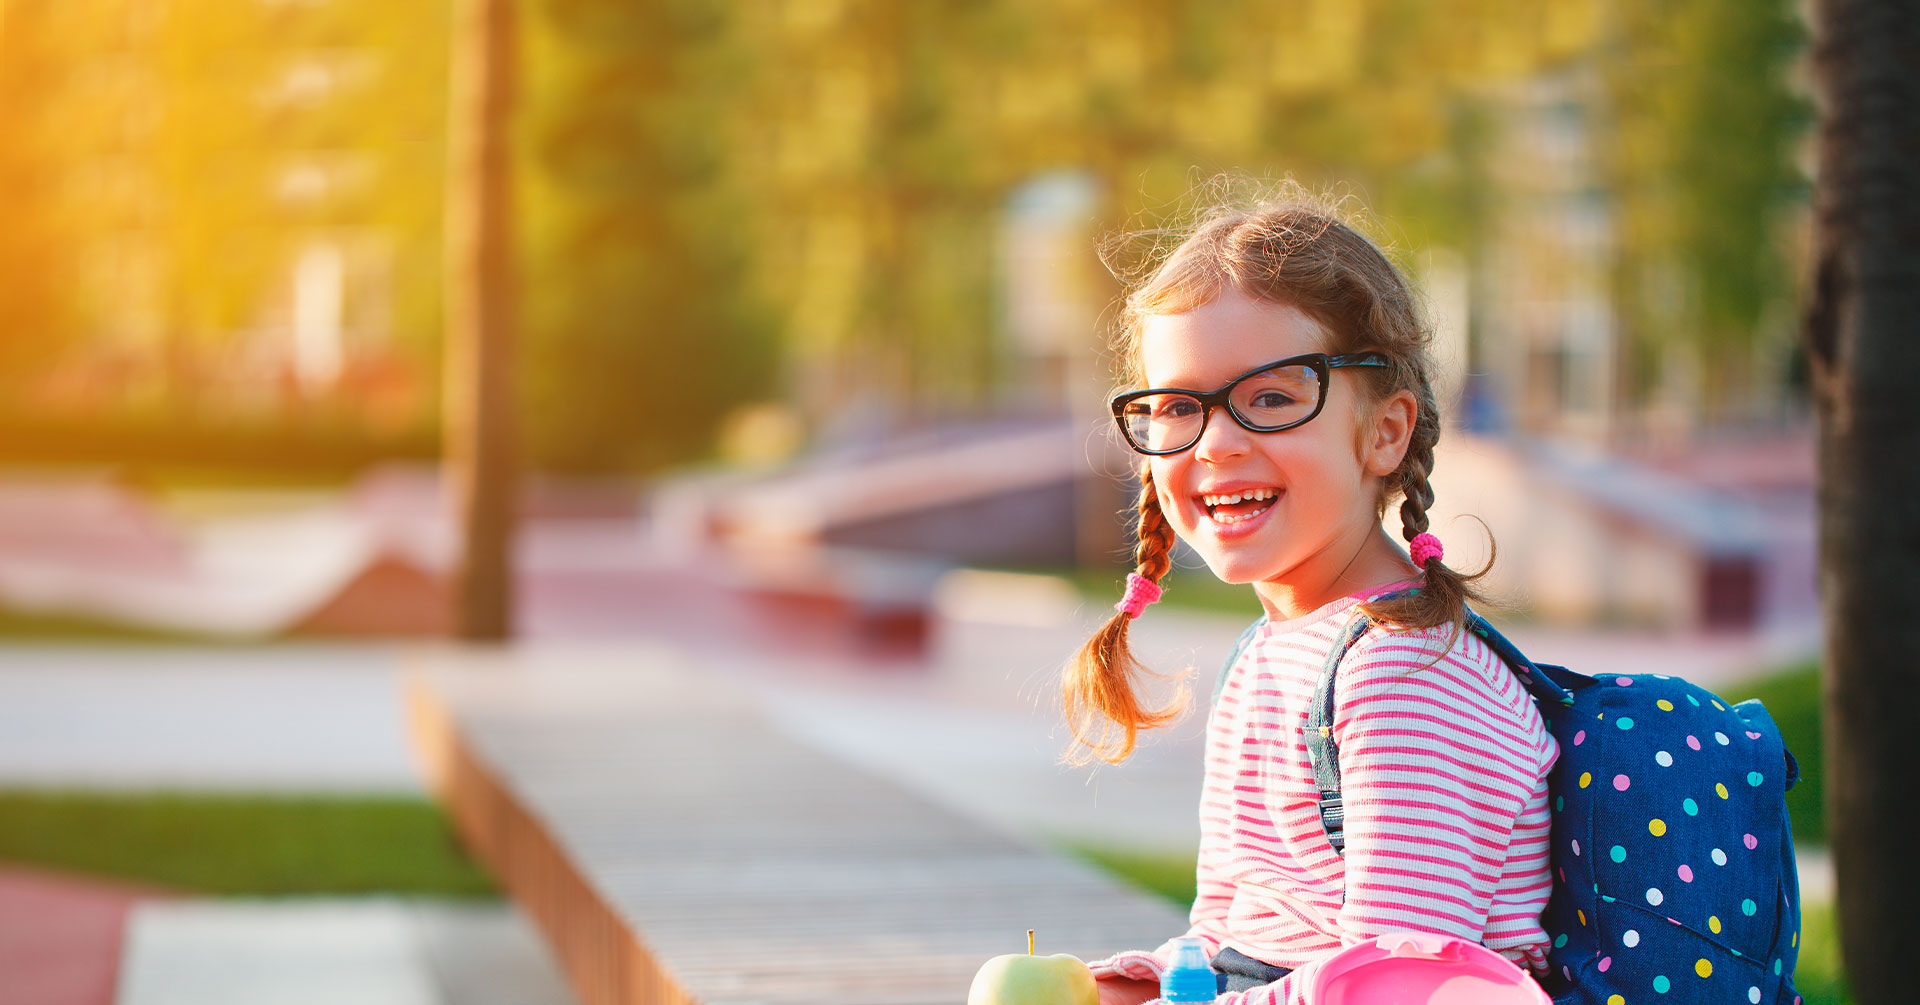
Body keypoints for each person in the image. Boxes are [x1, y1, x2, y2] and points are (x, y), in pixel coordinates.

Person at [1063, 189, 1558, 1005]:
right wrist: (1147, 982)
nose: (1217, 442)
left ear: (1386, 431)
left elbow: (1401, 986)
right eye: (1179, 406)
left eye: (1271, 397)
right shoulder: (1269, 651)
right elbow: (1234, 930)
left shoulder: (1406, 677)